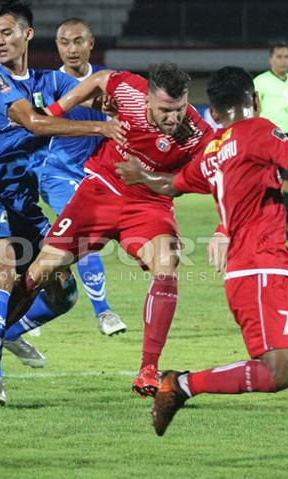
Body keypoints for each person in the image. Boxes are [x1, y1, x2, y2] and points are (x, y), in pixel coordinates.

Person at [115, 66, 288, 472]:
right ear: (255, 101)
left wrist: (142, 175)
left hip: (273, 270)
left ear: (212, 113)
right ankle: (181, 384)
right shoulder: (258, 129)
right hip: (257, 269)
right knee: (281, 373)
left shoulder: (213, 152)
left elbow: (172, 184)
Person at [0, 0, 124, 405]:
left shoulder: (51, 81)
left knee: (63, 289)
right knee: (4, 273)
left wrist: (127, 106)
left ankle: (7, 332)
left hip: (24, 201)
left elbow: (97, 91)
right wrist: (102, 127)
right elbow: (34, 121)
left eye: (7, 32)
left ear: (27, 35)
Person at [14, 63, 215, 398]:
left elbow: (212, 175)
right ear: (149, 100)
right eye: (165, 110)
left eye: (179, 109)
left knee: (168, 263)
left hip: (149, 204)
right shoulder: (130, 92)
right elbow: (100, 79)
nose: (173, 118)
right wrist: (54, 110)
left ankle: (148, 369)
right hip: (101, 190)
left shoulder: (197, 133)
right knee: (43, 268)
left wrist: (156, 181)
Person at [30, 17, 127, 337]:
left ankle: (22, 313)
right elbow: (40, 126)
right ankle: (104, 312)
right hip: (57, 172)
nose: (72, 49)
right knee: (85, 237)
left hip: (98, 175)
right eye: (64, 43)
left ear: (91, 43)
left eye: (78, 41)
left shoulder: (107, 82)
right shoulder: (46, 84)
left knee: (61, 251)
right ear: (57, 46)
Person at [254, 42, 288, 240]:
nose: (283, 60)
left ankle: (283, 229)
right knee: (266, 185)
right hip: (267, 137)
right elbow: (253, 110)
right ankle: (261, 227)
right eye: (279, 56)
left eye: (287, 57)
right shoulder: (260, 82)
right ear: (271, 59)